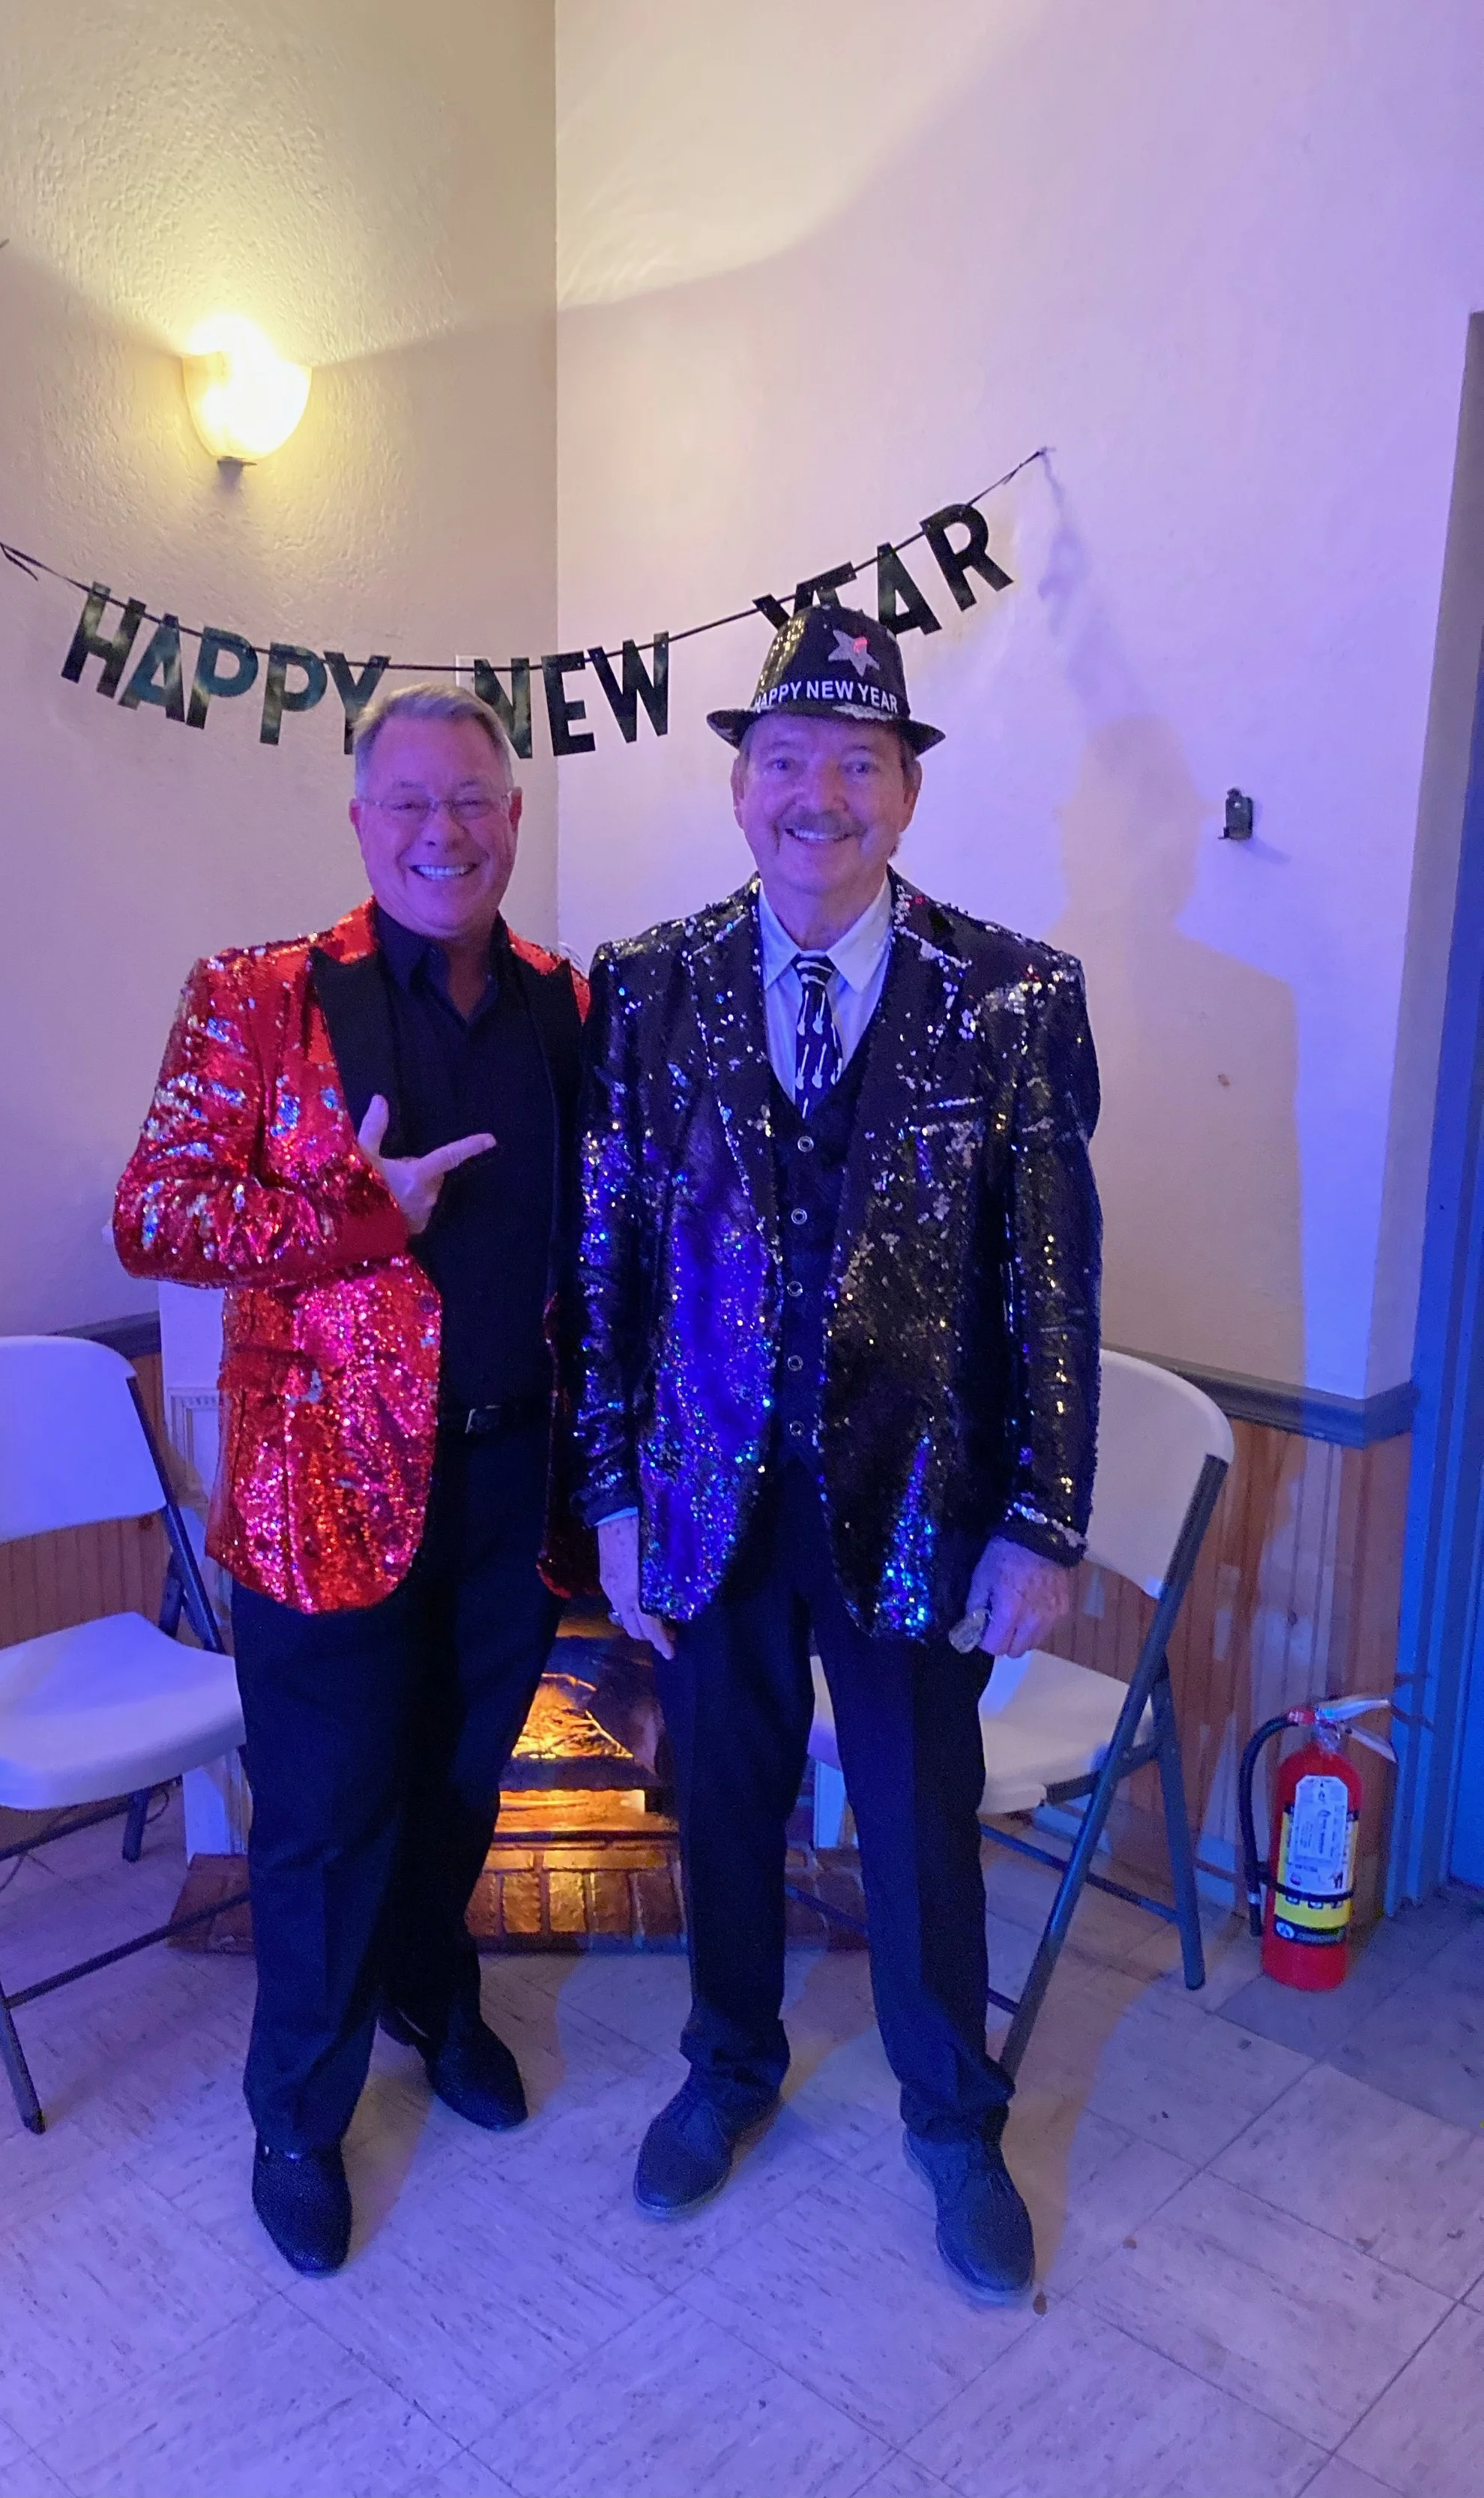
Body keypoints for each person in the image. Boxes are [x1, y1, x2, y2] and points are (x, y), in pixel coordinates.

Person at [576, 603, 1100, 2303]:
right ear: (739, 789)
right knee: (716, 1801)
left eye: (855, 763)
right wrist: (605, 1495)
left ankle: (953, 2116)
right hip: (705, 1499)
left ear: (905, 798)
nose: (819, 795)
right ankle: (727, 2065)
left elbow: (1050, 1277)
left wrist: (1040, 1515)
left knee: (914, 1815)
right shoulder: (645, 988)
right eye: (786, 761)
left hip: (918, 1511)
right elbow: (606, 1266)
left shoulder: (1013, 998)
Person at [115, 683, 588, 2278]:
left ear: (512, 820)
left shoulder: (560, 1007)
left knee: (460, 1792)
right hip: (316, 1496)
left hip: (507, 1490)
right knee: (320, 1820)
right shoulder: (255, 998)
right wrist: (348, 1207)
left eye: (471, 801)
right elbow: (155, 1216)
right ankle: (296, 2114)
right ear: (359, 820)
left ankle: (429, 1996)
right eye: (409, 804)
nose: (441, 831)